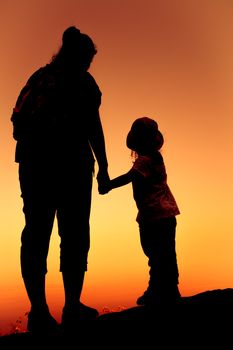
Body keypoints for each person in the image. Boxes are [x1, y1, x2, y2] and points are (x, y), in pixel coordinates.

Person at [11, 26, 110, 333]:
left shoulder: (37, 79)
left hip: (34, 168)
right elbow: (94, 127)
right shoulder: (84, 82)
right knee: (75, 236)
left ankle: (39, 311)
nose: (89, 65)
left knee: (37, 235)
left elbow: (17, 125)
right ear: (80, 57)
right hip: (71, 168)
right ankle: (70, 307)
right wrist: (104, 167)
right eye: (88, 60)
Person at [100, 117, 181, 306]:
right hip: (163, 214)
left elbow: (130, 177)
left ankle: (159, 289)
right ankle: (167, 288)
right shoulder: (155, 159)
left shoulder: (145, 161)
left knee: (156, 252)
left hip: (155, 215)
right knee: (164, 253)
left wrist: (109, 185)